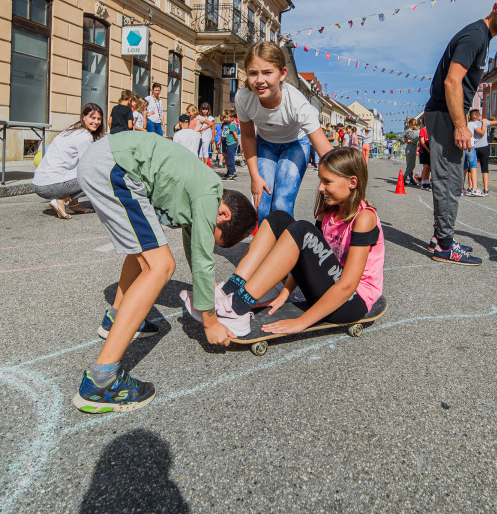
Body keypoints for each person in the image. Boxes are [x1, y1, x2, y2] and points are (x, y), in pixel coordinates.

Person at [73, 131, 257, 413]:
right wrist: (210, 322)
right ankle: (101, 381)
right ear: (224, 215)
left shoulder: (201, 190)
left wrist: (205, 291)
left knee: (144, 252)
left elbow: (195, 251)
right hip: (114, 166)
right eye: (214, 235)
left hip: (105, 161)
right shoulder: (210, 192)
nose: (208, 237)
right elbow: (203, 257)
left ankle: (115, 319)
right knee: (161, 265)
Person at [190, 147, 383, 338]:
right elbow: (313, 258)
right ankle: (229, 291)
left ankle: (236, 307)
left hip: (350, 302)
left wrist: (302, 322)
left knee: (301, 230)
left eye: (327, 182)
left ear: (352, 182)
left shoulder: (364, 219)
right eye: (320, 181)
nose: (320, 188)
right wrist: (284, 294)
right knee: (279, 218)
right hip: (327, 291)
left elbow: (348, 285)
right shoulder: (329, 212)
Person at [424, 0, 497, 264]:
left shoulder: (482, 37)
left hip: (446, 113)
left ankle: (440, 237)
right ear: (496, 7)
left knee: (453, 179)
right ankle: (444, 247)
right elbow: (451, 82)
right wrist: (460, 125)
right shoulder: (475, 35)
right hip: (447, 115)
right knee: (450, 181)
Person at [236, 42, 333, 222]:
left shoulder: (297, 103)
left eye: (267, 72)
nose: (259, 80)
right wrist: (254, 176)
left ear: (282, 74)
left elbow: (325, 150)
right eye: (253, 73)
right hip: (265, 144)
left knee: (281, 204)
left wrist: (338, 181)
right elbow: (248, 136)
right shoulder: (243, 98)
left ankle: (286, 247)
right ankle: (268, 247)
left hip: (296, 145)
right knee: (262, 204)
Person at [33, 103, 104, 219]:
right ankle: (62, 200)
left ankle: (74, 205)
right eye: (93, 117)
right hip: (50, 185)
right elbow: (89, 166)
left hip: (39, 182)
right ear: (84, 117)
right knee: (97, 176)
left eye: (99, 119)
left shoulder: (71, 130)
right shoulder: (84, 136)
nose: (96, 122)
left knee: (82, 171)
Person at [468, 106, 497, 194]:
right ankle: (486, 189)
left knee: (471, 168)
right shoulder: (484, 122)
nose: (481, 116)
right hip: (483, 147)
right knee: (485, 168)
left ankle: (470, 187)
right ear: (476, 116)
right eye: (479, 114)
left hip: (474, 147)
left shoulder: (470, 124)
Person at [220, 112, 239, 180]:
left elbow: (235, 135)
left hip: (231, 144)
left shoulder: (231, 125)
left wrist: (237, 142)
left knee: (230, 159)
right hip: (230, 144)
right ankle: (232, 172)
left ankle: (232, 173)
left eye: (227, 118)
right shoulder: (232, 124)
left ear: (232, 118)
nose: (226, 119)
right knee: (229, 158)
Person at [400, 118, 419, 185]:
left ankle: (411, 178)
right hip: (411, 148)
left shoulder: (414, 131)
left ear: (410, 124)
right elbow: (400, 137)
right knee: (412, 165)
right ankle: (403, 178)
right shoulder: (410, 131)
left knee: (409, 164)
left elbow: (400, 137)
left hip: (411, 148)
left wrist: (406, 141)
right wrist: (407, 141)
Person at [416, 122, 431, 188]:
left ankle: (427, 182)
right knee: (425, 167)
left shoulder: (431, 130)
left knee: (429, 167)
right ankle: (422, 182)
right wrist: (427, 149)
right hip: (424, 150)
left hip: (429, 150)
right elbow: (422, 141)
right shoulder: (423, 130)